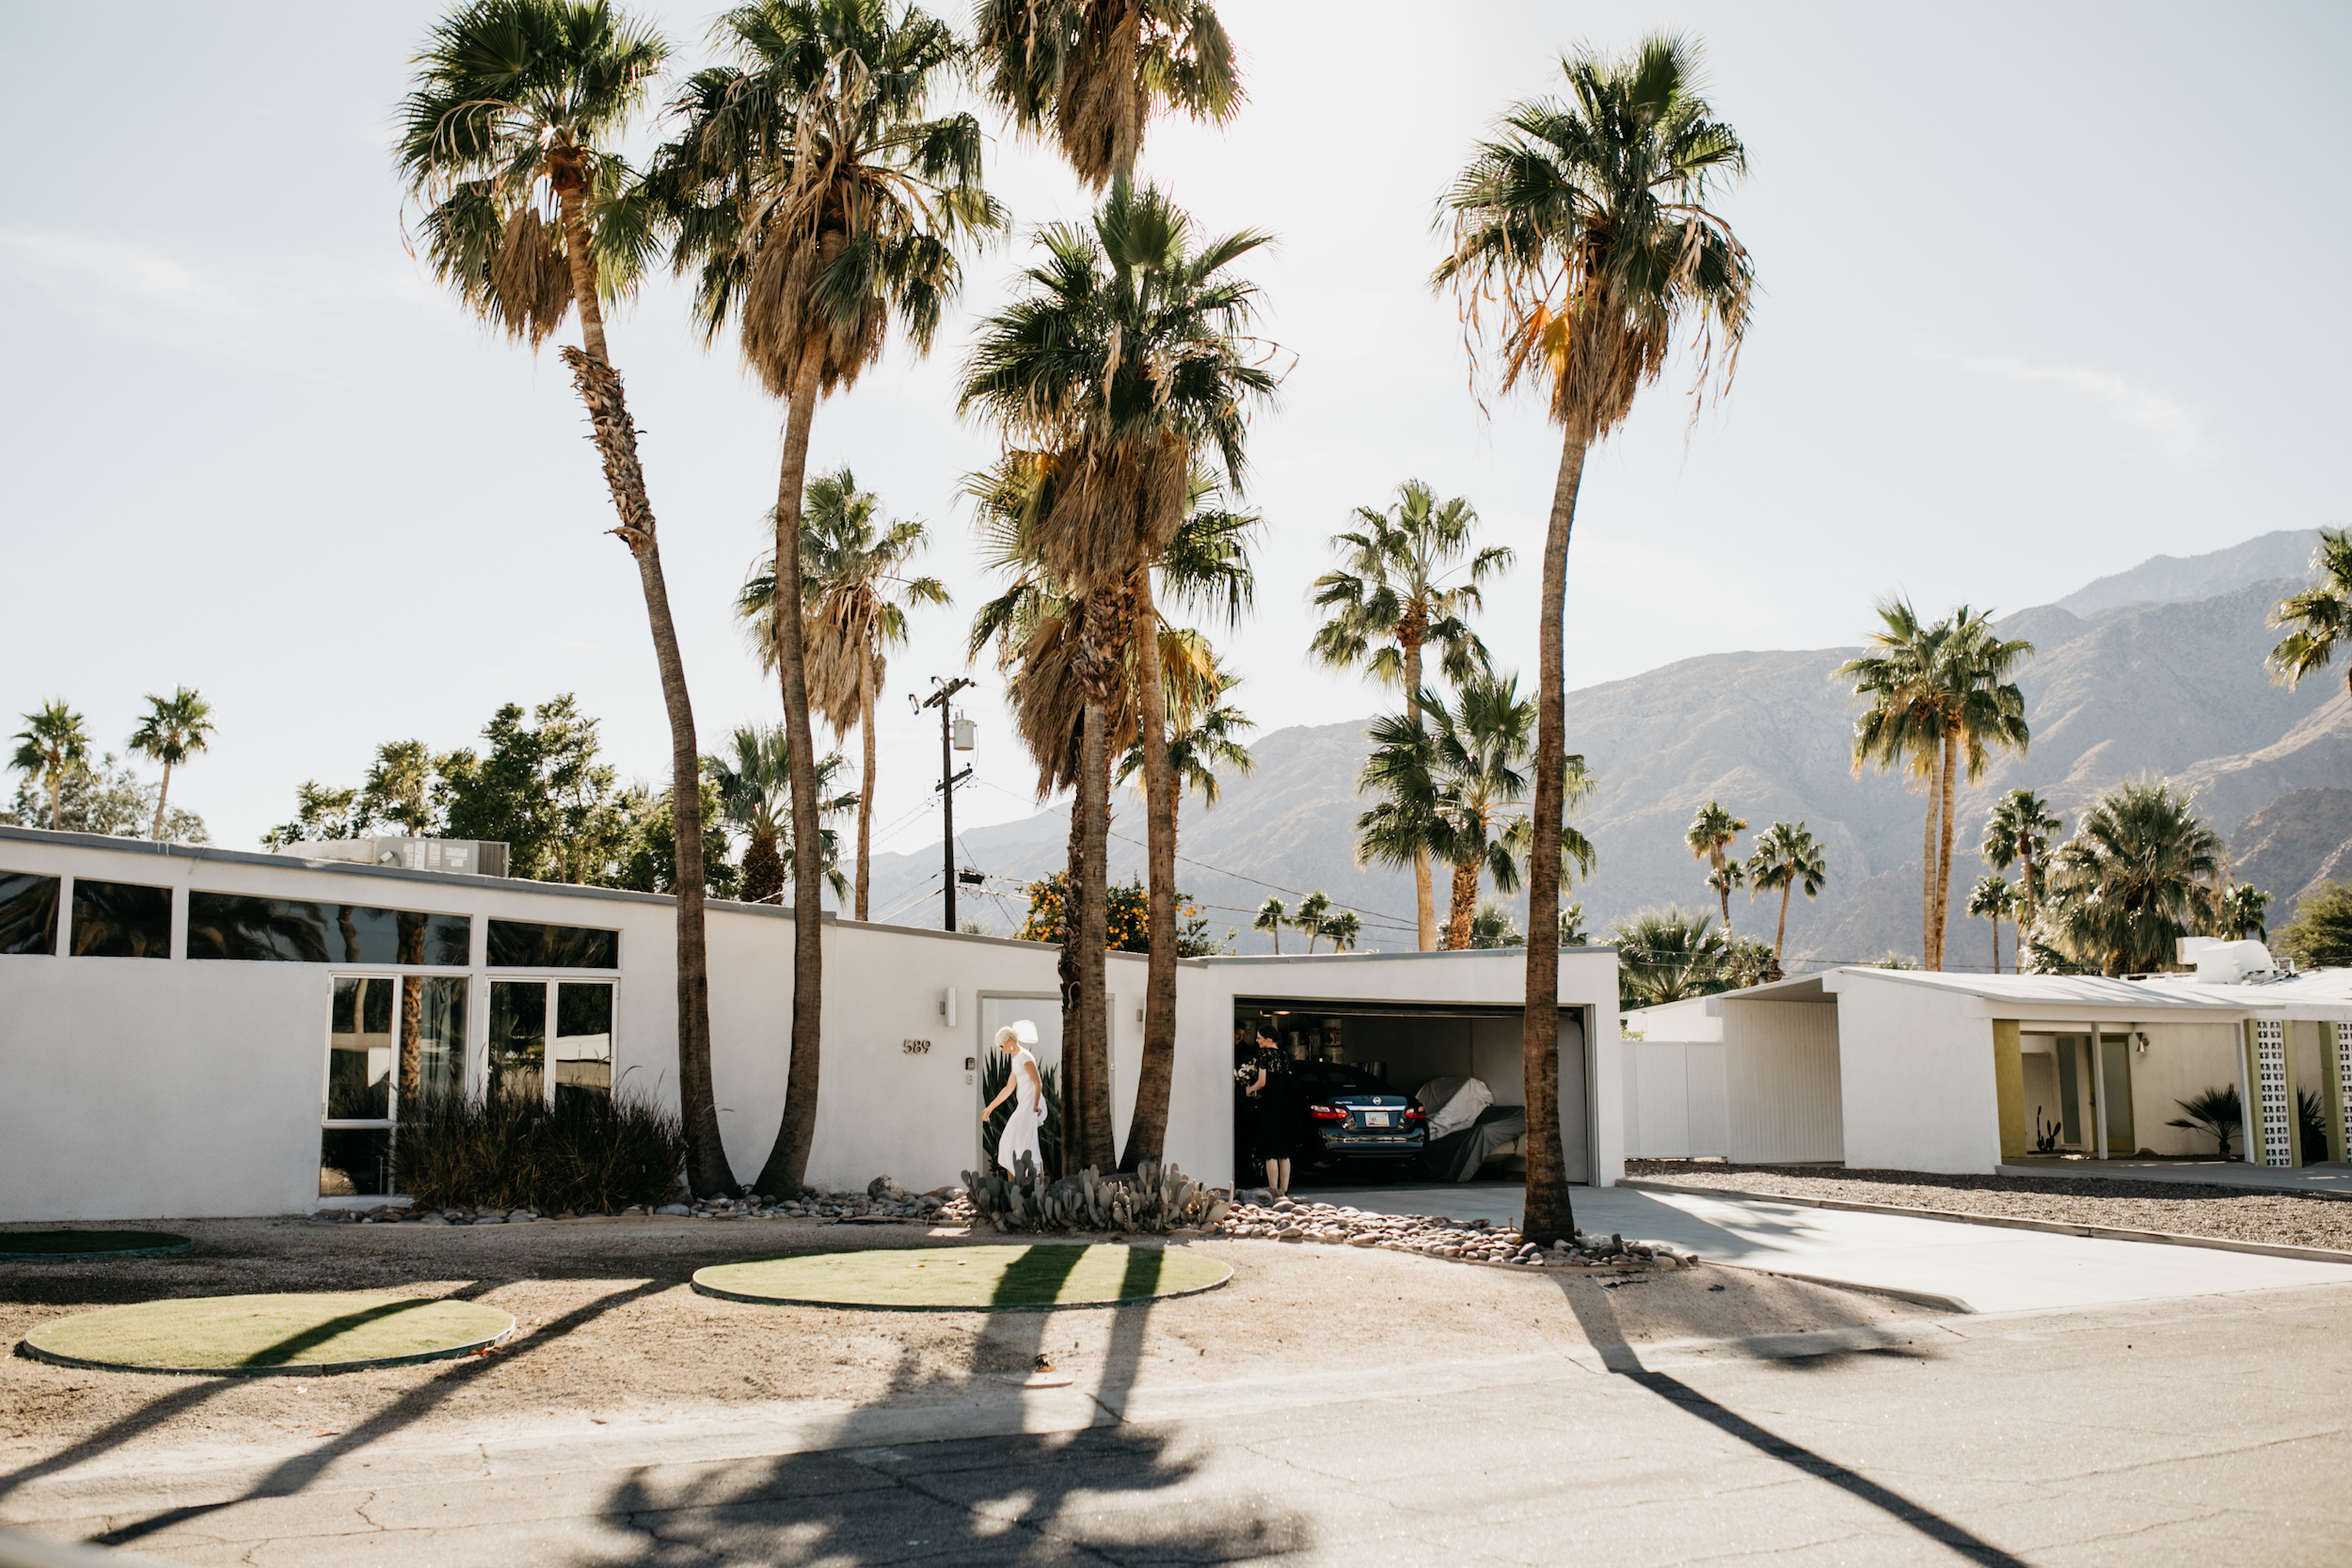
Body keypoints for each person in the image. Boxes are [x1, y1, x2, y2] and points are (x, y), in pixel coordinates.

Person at [980, 1020, 1046, 1178]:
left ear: (1009, 1042)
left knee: (1016, 1145)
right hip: (1023, 1106)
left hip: (1028, 1106)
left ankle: (1023, 1183)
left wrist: (1036, 1105)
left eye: (1002, 1046)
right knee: (1011, 1145)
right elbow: (1009, 1088)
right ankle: (1016, 1185)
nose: (1002, 1050)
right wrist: (990, 1107)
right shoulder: (1016, 1058)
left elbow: (1038, 1082)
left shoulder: (1024, 1057)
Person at [1242, 1021, 1295, 1197]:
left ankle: (1273, 1190)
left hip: (1270, 1103)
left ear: (1268, 1039)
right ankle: (1284, 1190)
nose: (1256, 1041)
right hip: (1284, 1104)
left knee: (1270, 1150)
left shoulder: (1264, 1054)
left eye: (1259, 1038)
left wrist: (1250, 1088)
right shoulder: (1284, 1055)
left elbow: (1263, 1082)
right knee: (1283, 1152)